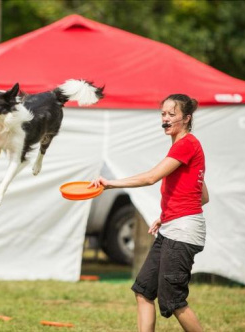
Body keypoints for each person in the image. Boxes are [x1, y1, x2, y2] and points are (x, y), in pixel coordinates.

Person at [90, 94, 209, 332]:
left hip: (183, 233)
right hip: (172, 227)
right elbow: (202, 195)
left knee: (173, 301)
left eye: (171, 115)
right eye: (163, 114)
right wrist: (166, 215)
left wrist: (110, 183)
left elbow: (150, 177)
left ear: (186, 119)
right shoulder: (182, 147)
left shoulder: (187, 145)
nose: (165, 119)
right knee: (143, 291)